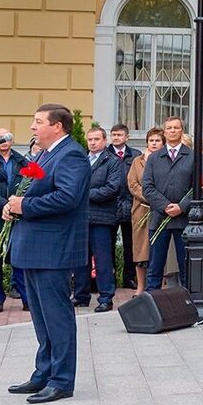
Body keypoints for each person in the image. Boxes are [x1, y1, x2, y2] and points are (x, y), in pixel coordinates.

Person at [3, 104, 91, 403]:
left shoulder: (72, 154)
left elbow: (67, 197)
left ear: (58, 127)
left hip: (53, 248)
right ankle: (44, 373)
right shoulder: (44, 154)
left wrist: (24, 206)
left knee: (57, 317)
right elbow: (32, 190)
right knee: (41, 317)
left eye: (38, 122)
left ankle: (62, 380)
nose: (32, 127)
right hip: (33, 246)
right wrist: (13, 204)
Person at [73, 127, 125, 312]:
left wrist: (84, 194)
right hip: (80, 218)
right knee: (80, 259)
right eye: (90, 139)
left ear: (104, 141)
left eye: (96, 139)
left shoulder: (112, 161)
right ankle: (81, 296)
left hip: (101, 217)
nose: (93, 142)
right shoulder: (81, 160)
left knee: (103, 260)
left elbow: (112, 188)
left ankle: (106, 297)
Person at [141, 117, 196, 291]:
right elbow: (147, 187)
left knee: (186, 266)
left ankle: (189, 304)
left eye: (176, 128)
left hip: (184, 219)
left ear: (182, 131)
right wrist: (165, 205)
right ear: (164, 132)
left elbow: (199, 188)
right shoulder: (154, 157)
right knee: (155, 267)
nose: (172, 131)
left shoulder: (193, 156)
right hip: (159, 219)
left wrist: (182, 206)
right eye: (169, 128)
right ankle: (152, 305)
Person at [0, 132, 28, 311]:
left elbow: (29, 184)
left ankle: (26, 298)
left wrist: (14, 206)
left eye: (6, 137)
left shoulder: (21, 161)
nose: (3, 142)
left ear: (12, 140)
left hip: (16, 218)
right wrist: (4, 205)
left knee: (19, 259)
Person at [127, 128, 162, 294]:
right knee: (141, 252)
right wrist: (151, 198)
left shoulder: (165, 160)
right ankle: (140, 287)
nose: (154, 143)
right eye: (151, 140)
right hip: (142, 210)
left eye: (157, 140)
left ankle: (157, 286)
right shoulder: (137, 161)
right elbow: (133, 184)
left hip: (161, 211)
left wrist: (160, 201)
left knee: (158, 250)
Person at [109, 124, 141, 288]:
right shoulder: (106, 155)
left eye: (119, 135)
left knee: (130, 245)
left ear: (127, 137)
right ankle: (110, 278)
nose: (116, 137)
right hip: (110, 206)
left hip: (130, 204)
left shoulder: (135, 155)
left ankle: (129, 277)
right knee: (108, 245)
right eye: (113, 134)